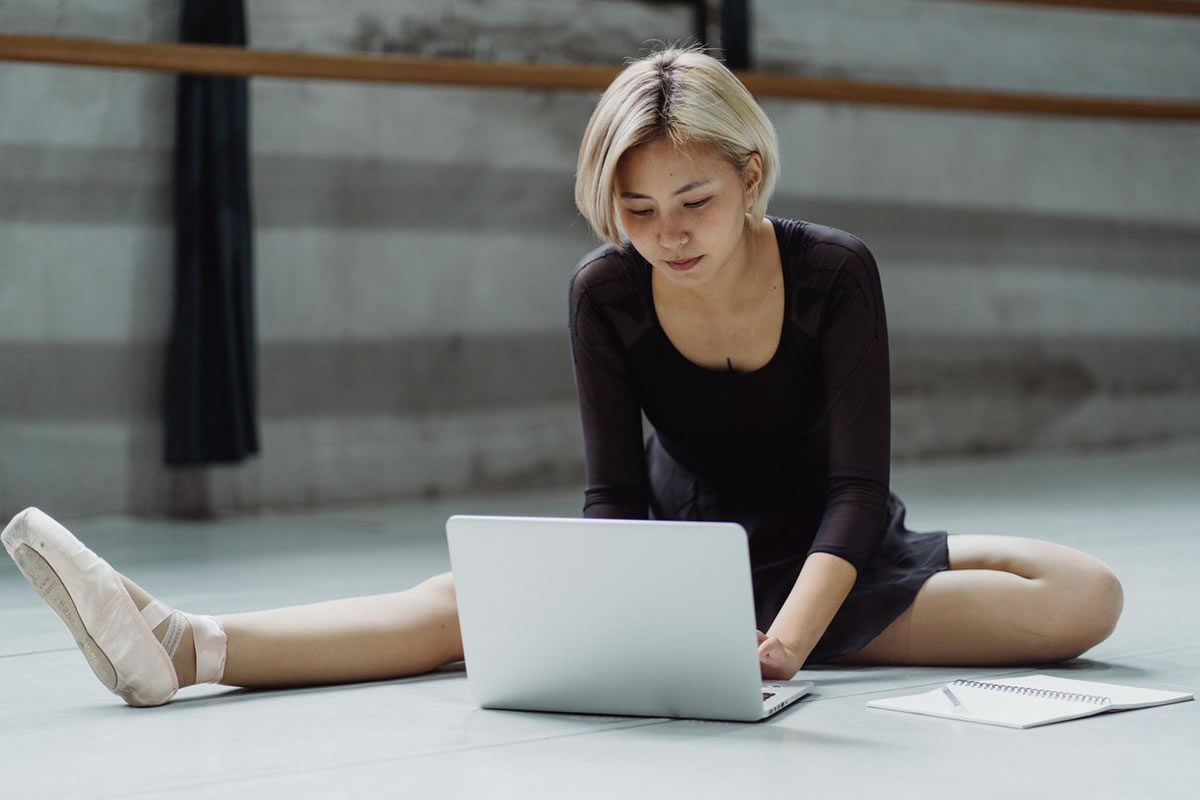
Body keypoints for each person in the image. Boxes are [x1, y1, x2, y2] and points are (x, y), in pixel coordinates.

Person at [2, 47, 1123, 708]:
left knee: (1087, 594)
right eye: (636, 210)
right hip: (685, 558)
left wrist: (784, 639)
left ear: (749, 175)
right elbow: (614, 498)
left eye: (694, 203)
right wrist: (639, 615)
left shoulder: (835, 271)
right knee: (454, 607)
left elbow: (859, 484)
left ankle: (926, 556)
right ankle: (185, 643)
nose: (668, 235)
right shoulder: (606, 289)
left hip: (830, 567)